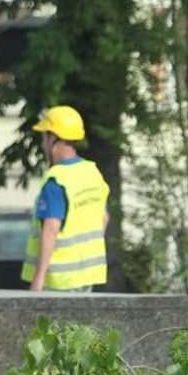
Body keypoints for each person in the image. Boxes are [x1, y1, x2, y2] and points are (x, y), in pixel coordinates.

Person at [21, 104, 110, 291]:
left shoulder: (57, 180)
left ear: (54, 138)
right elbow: (103, 218)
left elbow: (51, 229)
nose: (43, 143)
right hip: (87, 277)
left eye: (45, 137)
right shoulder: (91, 172)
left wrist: (38, 280)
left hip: (59, 280)